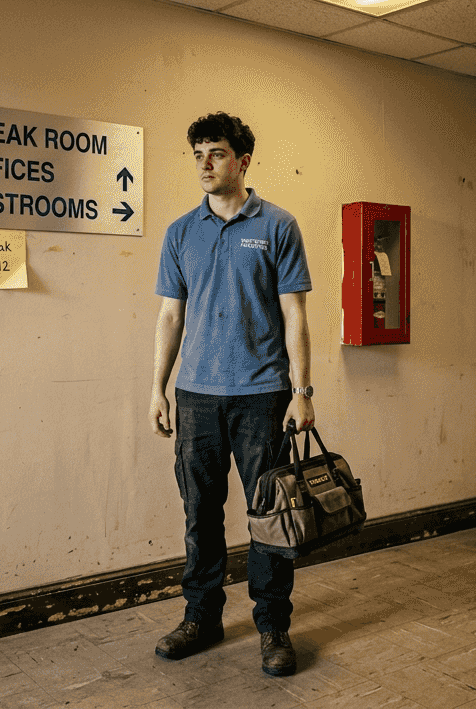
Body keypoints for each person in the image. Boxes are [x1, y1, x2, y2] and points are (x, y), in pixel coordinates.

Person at [150, 112, 315, 677]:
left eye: (216, 153)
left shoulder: (277, 226)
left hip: (262, 396)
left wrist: (302, 391)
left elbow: (295, 314)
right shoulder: (181, 232)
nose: (204, 164)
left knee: (268, 516)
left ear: (242, 161)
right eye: (197, 153)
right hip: (196, 396)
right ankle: (202, 617)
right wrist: (157, 388)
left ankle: (273, 628)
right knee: (200, 514)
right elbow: (170, 315)